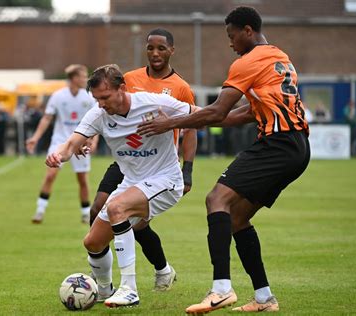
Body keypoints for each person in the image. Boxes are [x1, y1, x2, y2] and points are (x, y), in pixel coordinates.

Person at [138, 6, 310, 313]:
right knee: (237, 219)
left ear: (247, 31)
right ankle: (264, 298)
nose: (230, 44)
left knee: (216, 199)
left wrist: (172, 122)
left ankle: (221, 288)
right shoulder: (279, 56)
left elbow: (218, 110)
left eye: (231, 36)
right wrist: (195, 117)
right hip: (296, 146)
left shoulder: (247, 61)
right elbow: (245, 113)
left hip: (277, 144)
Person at [46, 65, 193, 307]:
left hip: (166, 179)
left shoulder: (153, 102)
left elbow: (202, 114)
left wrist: (171, 123)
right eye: (96, 99)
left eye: (105, 97)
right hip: (131, 182)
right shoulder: (98, 114)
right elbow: (73, 141)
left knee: (117, 208)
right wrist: (58, 155)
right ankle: (104, 290)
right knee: (92, 243)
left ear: (122, 89)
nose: (101, 104)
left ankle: (130, 289)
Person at [88, 28, 197, 292]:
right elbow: (106, 112)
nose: (155, 53)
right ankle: (103, 278)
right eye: (150, 48)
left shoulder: (180, 87)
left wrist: (188, 170)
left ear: (172, 51)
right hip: (126, 159)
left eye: (161, 48)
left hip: (157, 163)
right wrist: (88, 140)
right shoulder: (129, 79)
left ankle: (161, 270)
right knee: (97, 209)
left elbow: (191, 127)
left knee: (134, 223)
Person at [26, 64, 97, 224]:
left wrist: (93, 140)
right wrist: (35, 138)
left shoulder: (89, 96)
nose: (86, 79)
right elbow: (47, 118)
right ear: (73, 78)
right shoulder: (58, 96)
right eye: (83, 76)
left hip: (80, 142)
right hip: (60, 142)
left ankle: (86, 213)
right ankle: (39, 211)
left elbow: (96, 120)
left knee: (82, 179)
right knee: (50, 175)